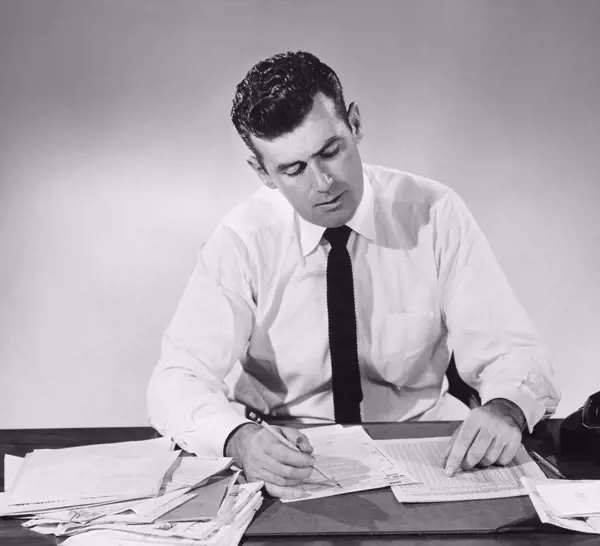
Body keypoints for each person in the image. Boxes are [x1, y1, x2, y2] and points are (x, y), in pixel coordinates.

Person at [147, 50, 560, 499]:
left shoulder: (434, 212)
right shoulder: (242, 239)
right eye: (293, 169)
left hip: (428, 449)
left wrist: (506, 407)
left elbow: (513, 351)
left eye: (330, 151)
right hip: (290, 457)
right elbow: (175, 380)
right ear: (262, 173)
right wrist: (239, 438)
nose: (322, 183)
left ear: (356, 125)